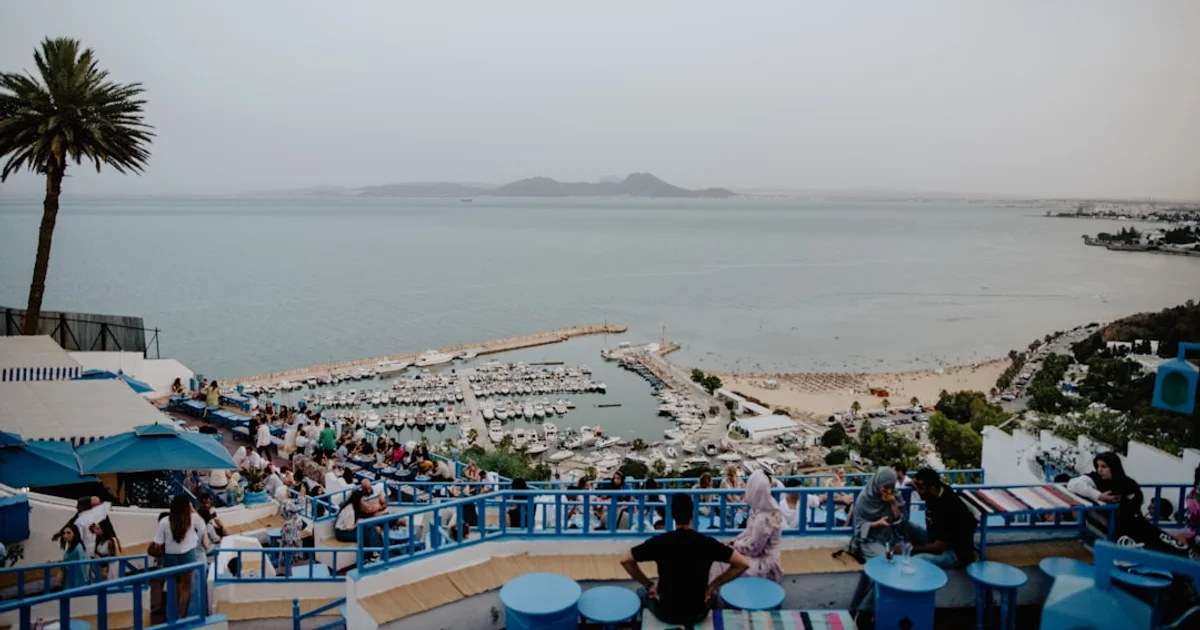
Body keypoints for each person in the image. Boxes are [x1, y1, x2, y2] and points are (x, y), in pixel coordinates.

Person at [620, 494, 751, 626]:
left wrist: (649, 585)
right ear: (693, 515)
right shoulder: (707, 543)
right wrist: (712, 586)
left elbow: (625, 560)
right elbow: (742, 564)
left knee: (642, 592)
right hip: (698, 613)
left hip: (666, 612)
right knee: (715, 596)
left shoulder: (660, 542)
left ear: (672, 516)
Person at [1068, 452, 1188, 556]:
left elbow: (1133, 504)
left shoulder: (1127, 483)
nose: (1099, 470)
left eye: (1104, 466)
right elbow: (1073, 484)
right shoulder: (1095, 478)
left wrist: (1115, 503)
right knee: (1139, 545)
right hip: (1115, 527)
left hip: (1133, 522)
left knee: (1163, 542)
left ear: (1113, 467)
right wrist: (1099, 496)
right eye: (1098, 466)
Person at [848, 467, 906, 615]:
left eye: (891, 487)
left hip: (890, 539)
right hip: (870, 539)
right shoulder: (864, 499)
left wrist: (893, 503)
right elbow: (859, 529)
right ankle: (864, 609)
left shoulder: (894, 496)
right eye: (885, 487)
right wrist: (877, 524)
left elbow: (901, 523)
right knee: (883, 567)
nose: (888, 490)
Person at [709, 470, 783, 584]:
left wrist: (734, 545)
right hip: (760, 555)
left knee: (722, 563)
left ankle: (713, 594)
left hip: (764, 563)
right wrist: (733, 541)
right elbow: (749, 532)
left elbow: (754, 550)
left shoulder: (763, 518)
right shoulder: (761, 508)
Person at [151, 495, 208, 618]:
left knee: (174, 587)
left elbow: (157, 544)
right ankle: (183, 616)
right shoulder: (193, 519)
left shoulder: (165, 521)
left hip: (171, 558)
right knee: (186, 587)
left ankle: (172, 617)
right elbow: (203, 526)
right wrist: (192, 509)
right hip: (189, 556)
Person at [907, 468, 977, 568]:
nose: (917, 491)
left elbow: (939, 547)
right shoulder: (938, 489)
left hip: (954, 553)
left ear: (932, 489)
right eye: (916, 486)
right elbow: (922, 482)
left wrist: (910, 548)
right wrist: (916, 483)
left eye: (920, 487)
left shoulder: (948, 507)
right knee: (907, 524)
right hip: (934, 538)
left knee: (918, 560)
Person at [60, 524, 89, 589]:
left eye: (68, 533)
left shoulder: (78, 547)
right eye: (64, 533)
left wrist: (85, 581)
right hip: (69, 578)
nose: (65, 535)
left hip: (77, 581)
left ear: (75, 533)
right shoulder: (70, 547)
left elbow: (82, 565)